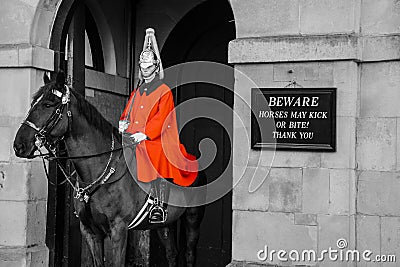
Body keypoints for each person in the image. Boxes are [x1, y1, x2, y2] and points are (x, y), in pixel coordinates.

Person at [119, 28, 198, 223]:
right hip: (132, 136)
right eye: (142, 66)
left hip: (157, 137)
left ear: (155, 67)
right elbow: (128, 111)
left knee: (152, 152)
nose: (145, 70)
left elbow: (162, 118)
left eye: (148, 66)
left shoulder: (164, 91)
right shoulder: (136, 92)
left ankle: (159, 205)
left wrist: (144, 134)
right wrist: (123, 123)